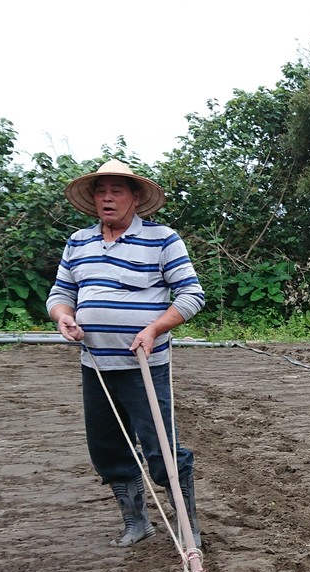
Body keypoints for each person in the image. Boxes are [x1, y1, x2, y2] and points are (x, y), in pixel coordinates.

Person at [47, 159, 207, 548]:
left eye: (116, 191)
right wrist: (64, 316)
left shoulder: (162, 239)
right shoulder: (78, 242)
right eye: (101, 191)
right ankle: (136, 522)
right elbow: (61, 293)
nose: (107, 198)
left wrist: (154, 328)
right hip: (96, 365)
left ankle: (188, 528)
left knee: (162, 449)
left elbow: (191, 294)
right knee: (107, 447)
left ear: (135, 197)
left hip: (144, 365)